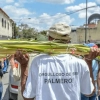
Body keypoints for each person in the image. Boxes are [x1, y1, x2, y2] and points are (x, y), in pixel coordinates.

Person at [13, 23, 100, 100]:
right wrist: (88, 61)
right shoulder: (80, 63)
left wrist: (24, 66)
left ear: (49, 39)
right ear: (68, 40)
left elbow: (28, 97)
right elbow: (89, 93)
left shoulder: (38, 62)